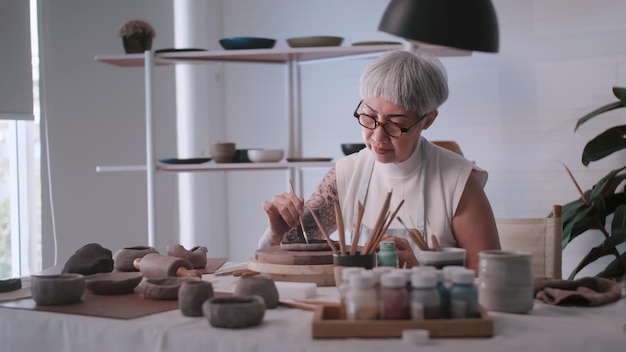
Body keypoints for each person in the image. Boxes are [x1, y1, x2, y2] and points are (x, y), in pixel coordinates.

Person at [258, 49, 501, 271]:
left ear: (427, 121)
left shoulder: (459, 182)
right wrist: (276, 232)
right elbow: (288, 252)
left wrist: (420, 270)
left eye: (396, 124)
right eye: (369, 116)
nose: (377, 136)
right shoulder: (346, 175)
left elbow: (490, 277)